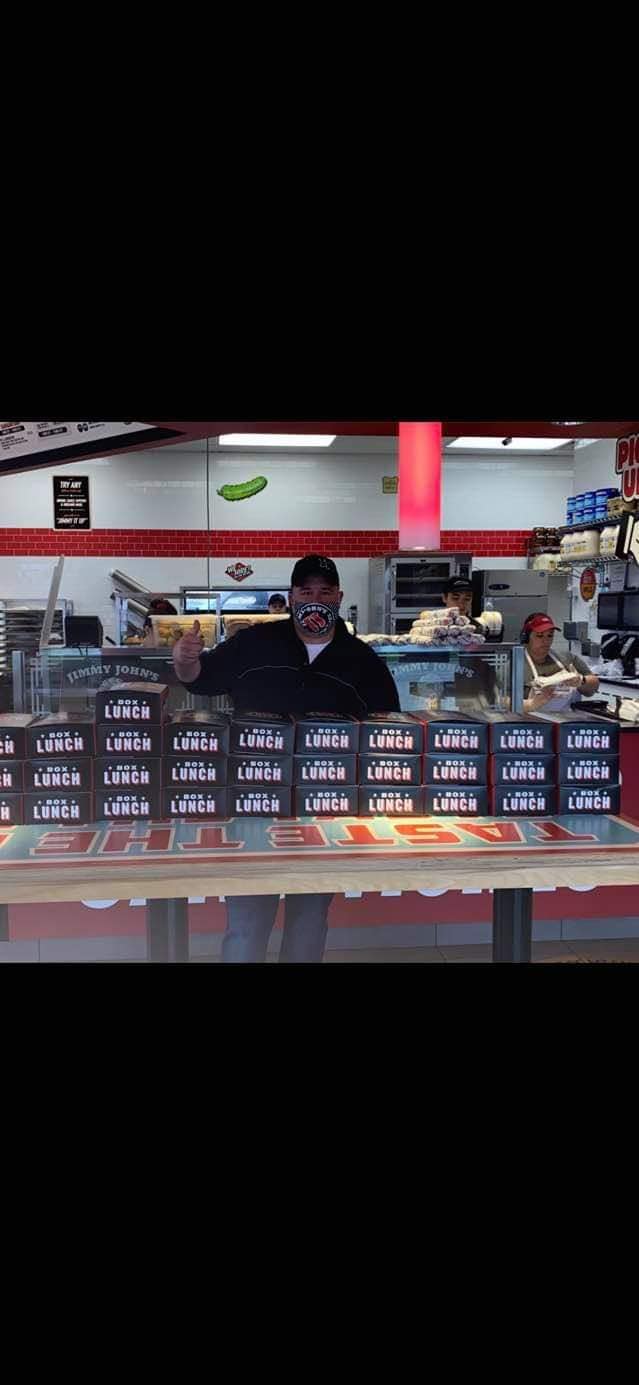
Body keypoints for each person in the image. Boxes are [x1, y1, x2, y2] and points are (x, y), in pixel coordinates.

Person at [172, 555, 400, 964]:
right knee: (245, 924)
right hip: (253, 804)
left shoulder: (362, 660)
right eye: (306, 591)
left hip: (323, 810)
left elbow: (385, 727)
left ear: (339, 597)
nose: (316, 599)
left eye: (325, 591)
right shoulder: (254, 643)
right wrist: (185, 660)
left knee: (308, 923)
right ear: (292, 597)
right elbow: (200, 680)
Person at [521, 612, 599, 713]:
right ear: (526, 637)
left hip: (567, 719)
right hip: (531, 720)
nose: (546, 641)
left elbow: (593, 687)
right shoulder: (516, 664)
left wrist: (582, 680)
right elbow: (503, 700)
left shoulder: (567, 658)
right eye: (539, 636)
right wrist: (530, 705)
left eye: (550, 636)